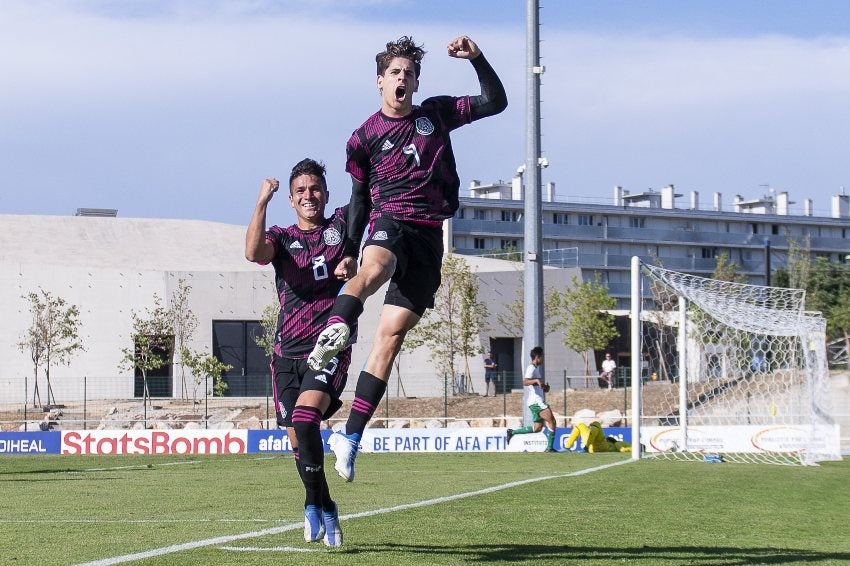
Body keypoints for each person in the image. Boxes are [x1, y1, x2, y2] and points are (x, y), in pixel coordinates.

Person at [306, 35, 507, 482]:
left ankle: (350, 438)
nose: (402, 78)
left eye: (409, 73)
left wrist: (477, 58)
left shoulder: (435, 113)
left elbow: (496, 102)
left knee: (390, 338)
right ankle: (335, 331)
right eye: (394, 72)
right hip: (389, 220)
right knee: (376, 267)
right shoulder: (362, 138)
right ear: (380, 81)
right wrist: (349, 251)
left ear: (417, 82)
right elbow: (358, 198)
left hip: (430, 236)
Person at [245, 158, 357, 547]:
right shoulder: (281, 236)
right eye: (301, 191)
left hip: (328, 346)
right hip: (285, 354)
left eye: (315, 189)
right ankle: (326, 505)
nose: (309, 195)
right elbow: (253, 252)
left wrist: (354, 256)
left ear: (326, 194)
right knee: (298, 438)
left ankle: (312, 504)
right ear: (291, 199)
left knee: (307, 417)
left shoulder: (342, 226)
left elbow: (371, 214)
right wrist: (261, 202)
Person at [505, 347, 558, 452]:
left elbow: (535, 384)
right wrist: (537, 381)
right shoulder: (531, 368)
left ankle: (512, 432)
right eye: (542, 357)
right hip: (536, 401)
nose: (543, 359)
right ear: (537, 357)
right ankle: (550, 448)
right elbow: (525, 382)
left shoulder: (535, 369)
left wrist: (544, 387)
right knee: (552, 421)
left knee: (537, 428)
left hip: (534, 401)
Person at [564, 420, 632, 453]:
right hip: (594, 445)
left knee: (596, 424)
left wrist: (615, 442)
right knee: (580, 425)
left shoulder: (632, 447)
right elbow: (621, 448)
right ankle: (567, 447)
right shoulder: (631, 445)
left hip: (601, 446)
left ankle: (569, 447)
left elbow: (620, 446)